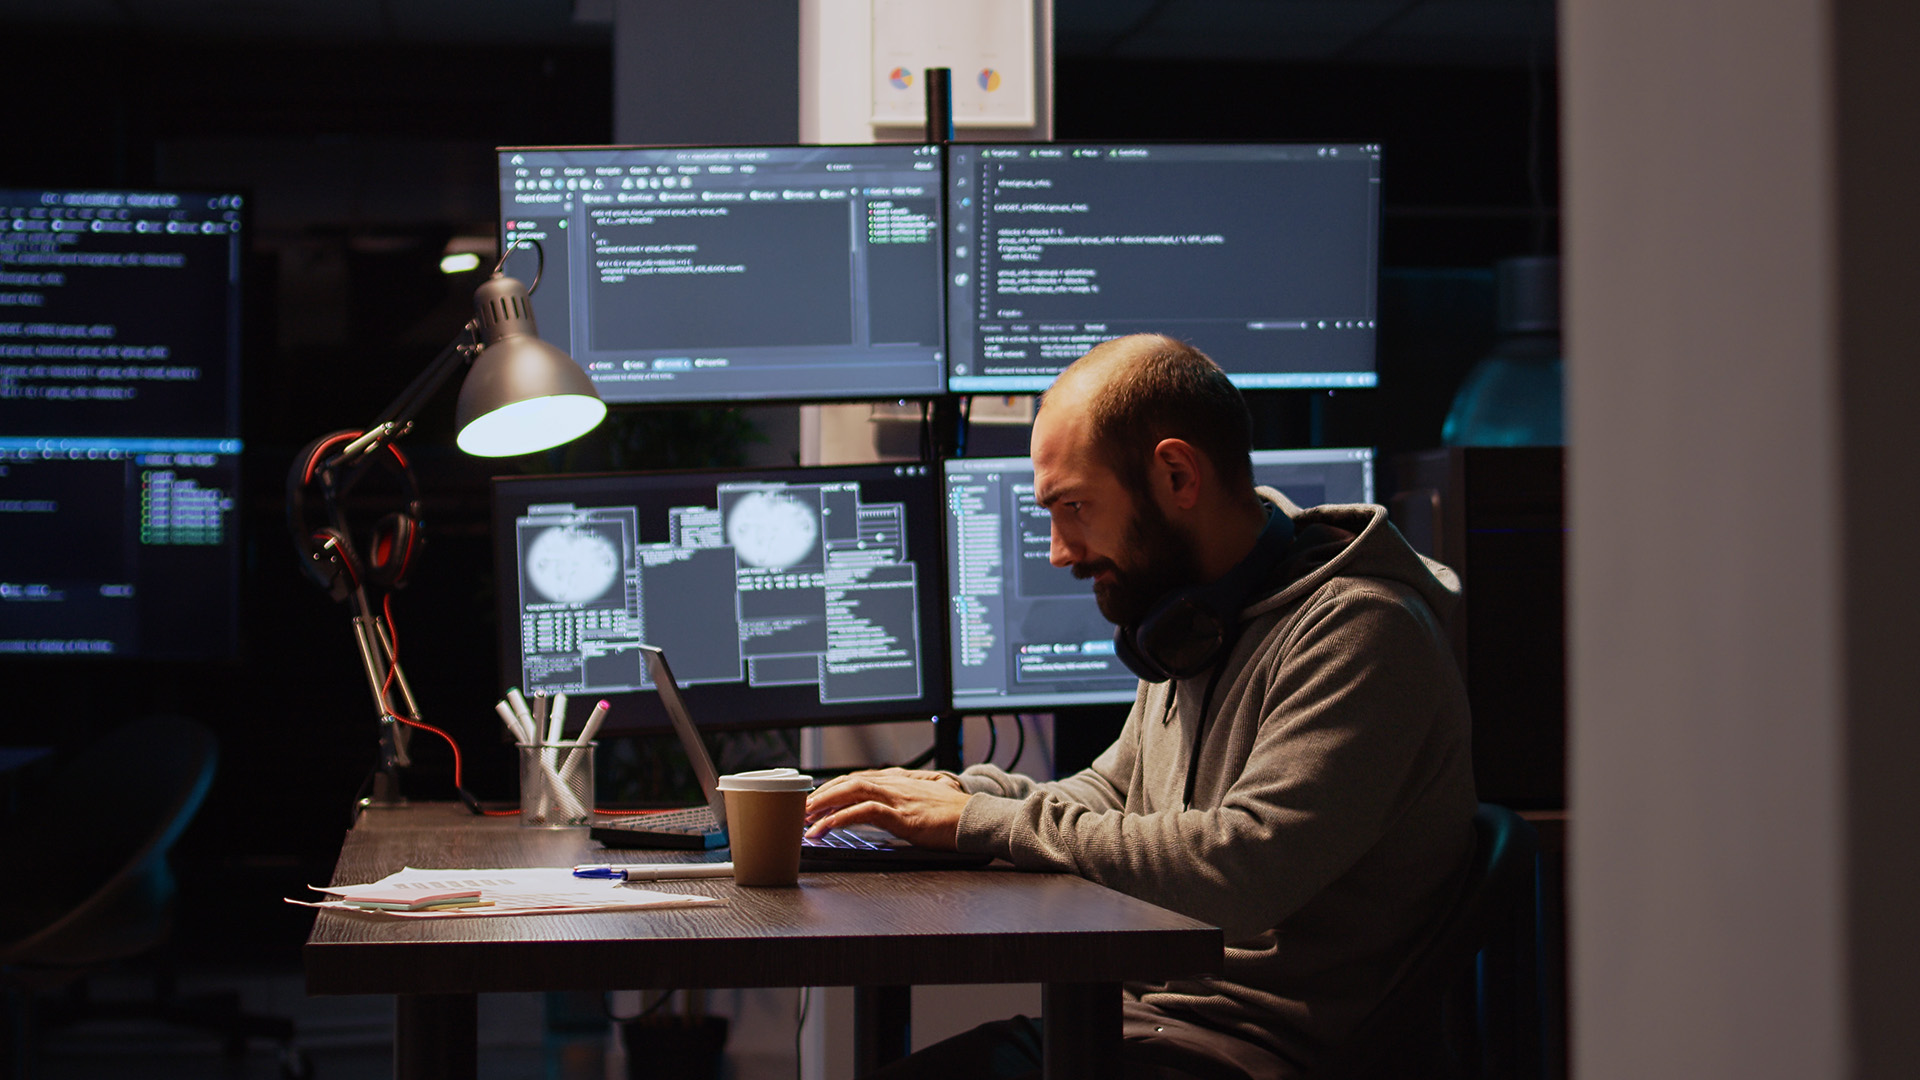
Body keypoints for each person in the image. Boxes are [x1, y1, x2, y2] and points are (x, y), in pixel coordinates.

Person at [805, 334, 1477, 1080]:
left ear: (1177, 475)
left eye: (1075, 507)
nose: (1060, 551)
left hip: (1247, 1053)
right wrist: (964, 796)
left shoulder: (1360, 631)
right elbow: (1112, 793)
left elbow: (1241, 867)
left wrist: (982, 824)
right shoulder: (1193, 618)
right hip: (1129, 1028)